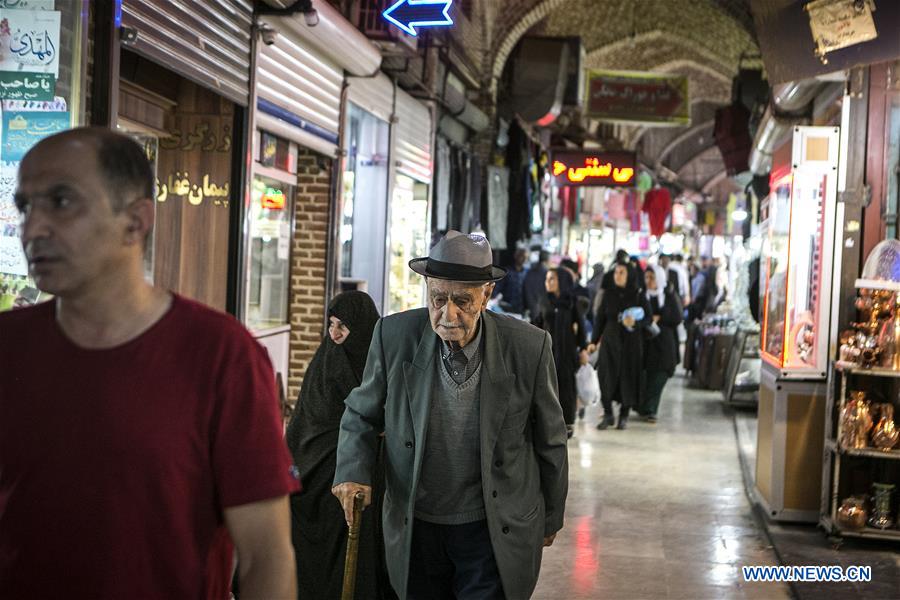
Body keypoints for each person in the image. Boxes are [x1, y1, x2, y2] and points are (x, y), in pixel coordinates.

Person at [0, 128, 298, 598]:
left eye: (60, 201)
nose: (32, 228)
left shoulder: (222, 356)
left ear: (135, 221)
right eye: (25, 206)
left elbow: (266, 556)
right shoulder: (9, 347)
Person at [332, 230, 569, 600]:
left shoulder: (528, 347)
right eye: (438, 298)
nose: (448, 313)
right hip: (417, 524)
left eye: (462, 301)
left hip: (492, 527)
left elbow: (551, 439)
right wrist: (352, 471)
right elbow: (360, 414)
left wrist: (551, 516)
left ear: (487, 295)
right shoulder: (394, 336)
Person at [286, 291, 386, 600]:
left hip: (359, 478)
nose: (335, 333)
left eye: (343, 325)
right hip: (318, 473)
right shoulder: (326, 361)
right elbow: (310, 423)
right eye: (331, 324)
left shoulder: (379, 361)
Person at [588, 261, 652, 431]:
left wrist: (636, 323)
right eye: (616, 272)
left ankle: (624, 415)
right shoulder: (609, 294)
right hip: (611, 341)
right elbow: (600, 319)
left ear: (629, 275)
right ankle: (608, 413)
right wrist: (593, 342)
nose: (618, 276)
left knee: (628, 377)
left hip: (631, 343)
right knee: (605, 376)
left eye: (622, 272)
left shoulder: (638, 294)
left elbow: (649, 319)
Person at [533, 267, 588, 438]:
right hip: (548, 351)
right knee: (547, 387)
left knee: (567, 388)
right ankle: (549, 423)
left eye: (552, 279)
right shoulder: (543, 301)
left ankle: (568, 422)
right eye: (547, 279)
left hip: (567, 352)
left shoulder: (572, 302)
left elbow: (581, 327)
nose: (547, 282)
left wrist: (583, 348)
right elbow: (536, 324)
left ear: (561, 281)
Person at [639, 266, 683, 423]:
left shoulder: (669, 296)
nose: (649, 281)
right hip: (646, 344)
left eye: (652, 278)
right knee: (646, 375)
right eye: (647, 278)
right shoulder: (642, 296)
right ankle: (644, 407)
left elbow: (677, 317)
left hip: (665, 344)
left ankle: (651, 409)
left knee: (660, 375)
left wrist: (660, 318)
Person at [492, 247, 528, 314]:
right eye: (521, 256)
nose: (524, 259)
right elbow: (498, 287)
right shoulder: (507, 272)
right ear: (515, 256)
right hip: (508, 307)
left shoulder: (527, 273)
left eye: (525, 257)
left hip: (522, 308)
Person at [523, 248, 550, 320]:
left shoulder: (530, 272)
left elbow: (525, 289)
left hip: (529, 308)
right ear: (547, 260)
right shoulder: (548, 274)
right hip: (541, 311)